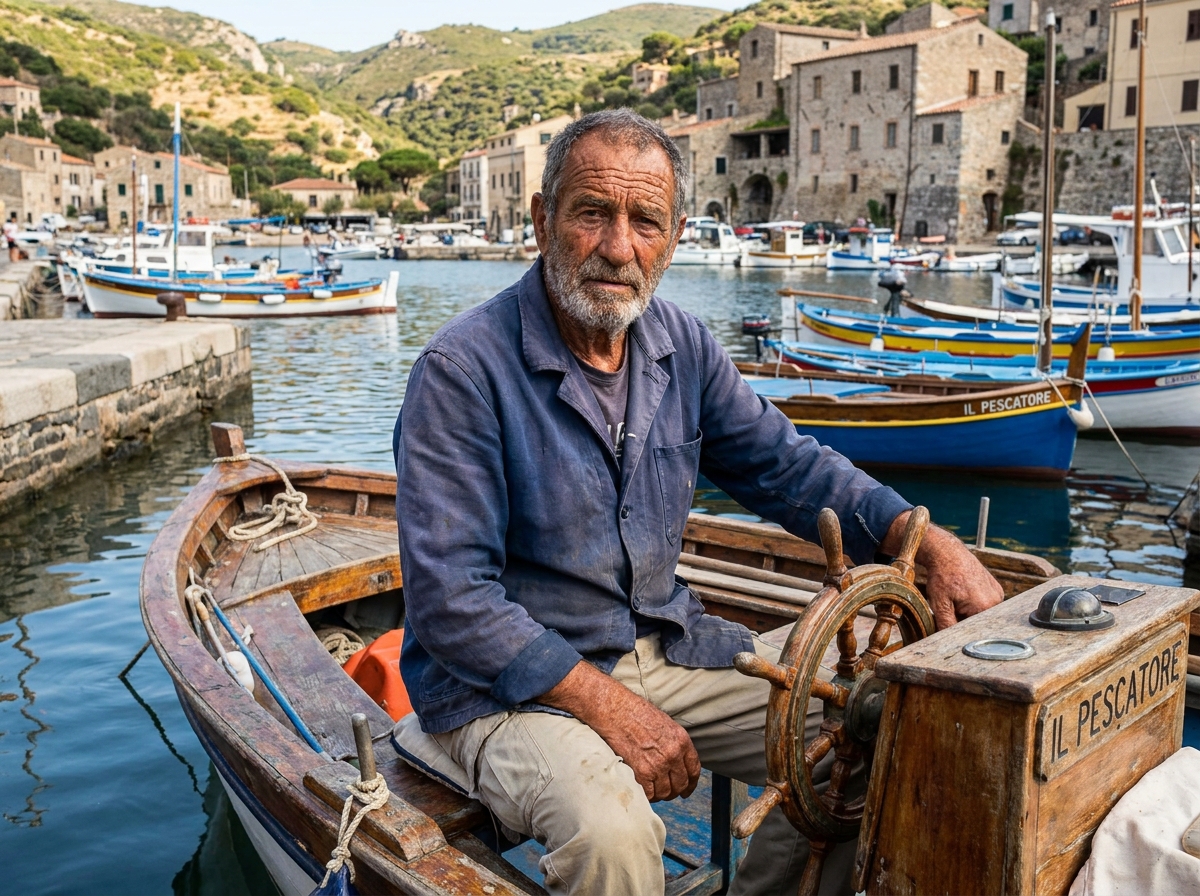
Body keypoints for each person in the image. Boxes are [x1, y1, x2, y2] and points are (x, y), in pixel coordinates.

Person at [392, 110, 1002, 895]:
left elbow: (788, 468)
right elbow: (451, 603)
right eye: (591, 214)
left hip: (668, 649)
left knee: (878, 727)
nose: (619, 247)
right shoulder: (461, 370)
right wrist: (609, 707)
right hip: (504, 691)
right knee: (611, 835)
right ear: (543, 220)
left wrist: (924, 539)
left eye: (644, 220)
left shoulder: (681, 345)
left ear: (674, 236)